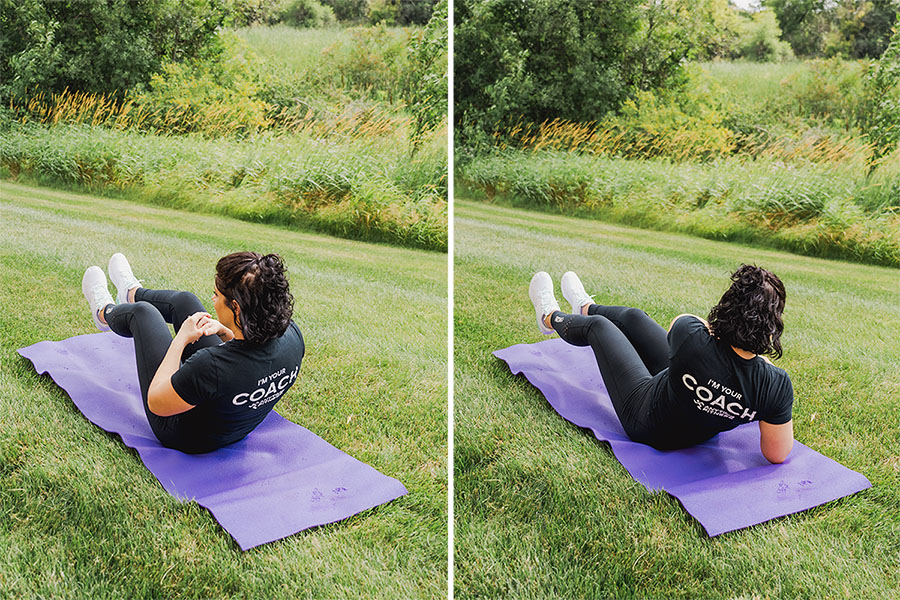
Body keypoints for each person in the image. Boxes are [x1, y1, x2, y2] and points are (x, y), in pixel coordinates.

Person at [528, 265, 794, 463]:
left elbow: (687, 320)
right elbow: (777, 454)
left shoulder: (692, 336)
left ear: (727, 306)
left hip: (645, 418)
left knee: (600, 328)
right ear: (773, 327)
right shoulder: (776, 385)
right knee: (633, 318)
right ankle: (585, 307)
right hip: (691, 416)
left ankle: (549, 317)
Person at [81, 251, 304, 454]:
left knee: (143, 314)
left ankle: (103, 312)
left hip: (184, 433)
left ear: (236, 307)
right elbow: (253, 364)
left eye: (216, 295)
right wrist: (226, 332)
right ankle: (131, 293)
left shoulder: (212, 366)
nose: (213, 300)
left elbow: (156, 402)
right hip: (231, 417)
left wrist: (180, 340)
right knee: (185, 301)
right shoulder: (293, 336)